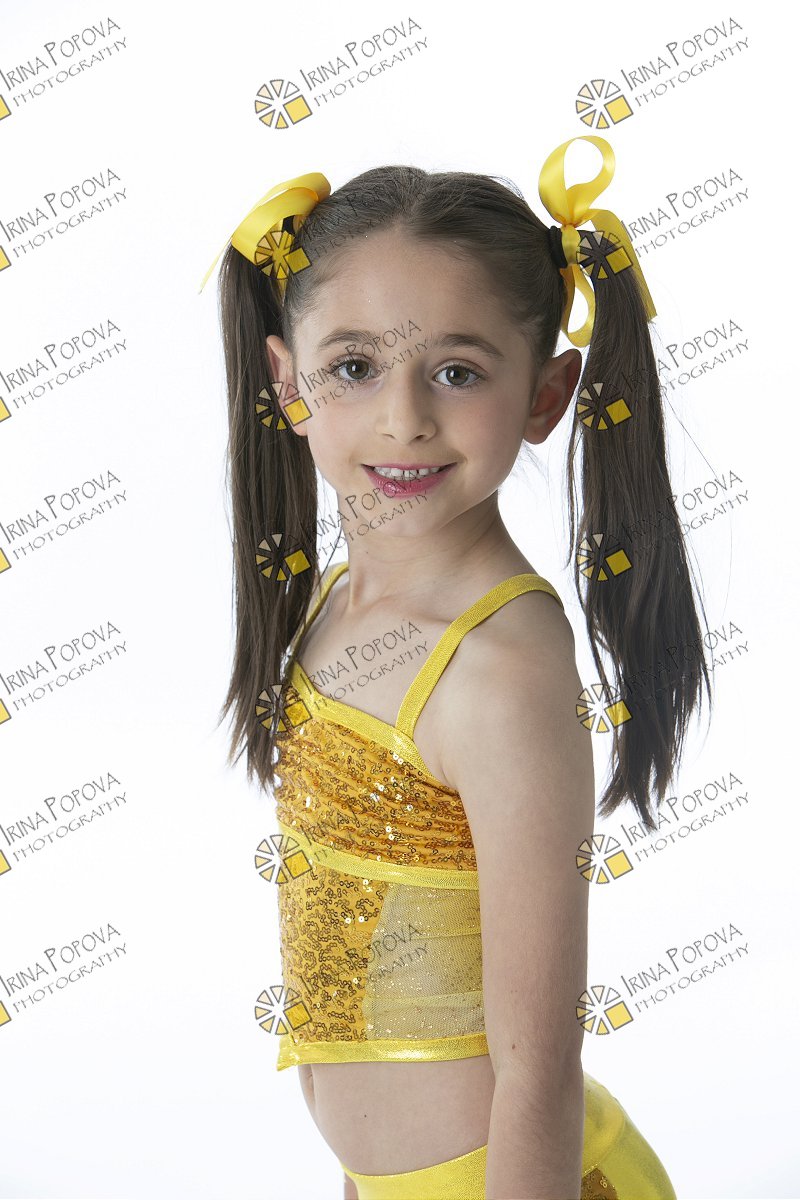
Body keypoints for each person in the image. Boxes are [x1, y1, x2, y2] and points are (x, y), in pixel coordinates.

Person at [205, 135, 712, 1199]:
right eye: (354, 367)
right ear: (287, 382)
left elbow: (536, 1067)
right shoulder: (331, 607)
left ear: (545, 395)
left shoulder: (496, 667)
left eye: (456, 371)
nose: (404, 418)